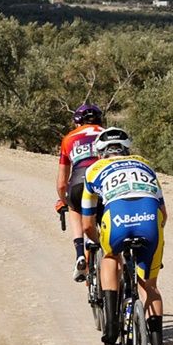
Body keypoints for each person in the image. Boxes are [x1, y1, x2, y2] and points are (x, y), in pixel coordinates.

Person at [81, 127, 169, 345]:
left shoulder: (93, 170)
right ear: (127, 149)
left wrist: (105, 244)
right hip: (150, 221)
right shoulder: (146, 165)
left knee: (110, 257)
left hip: (117, 221)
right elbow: (164, 214)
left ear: (101, 153)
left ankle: (110, 327)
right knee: (149, 287)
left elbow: (87, 225)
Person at [55, 103, 105, 282]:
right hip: (104, 185)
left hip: (77, 185)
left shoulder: (68, 139)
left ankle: (79, 254)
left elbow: (62, 183)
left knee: (74, 207)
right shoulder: (108, 135)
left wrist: (63, 201)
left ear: (77, 123)